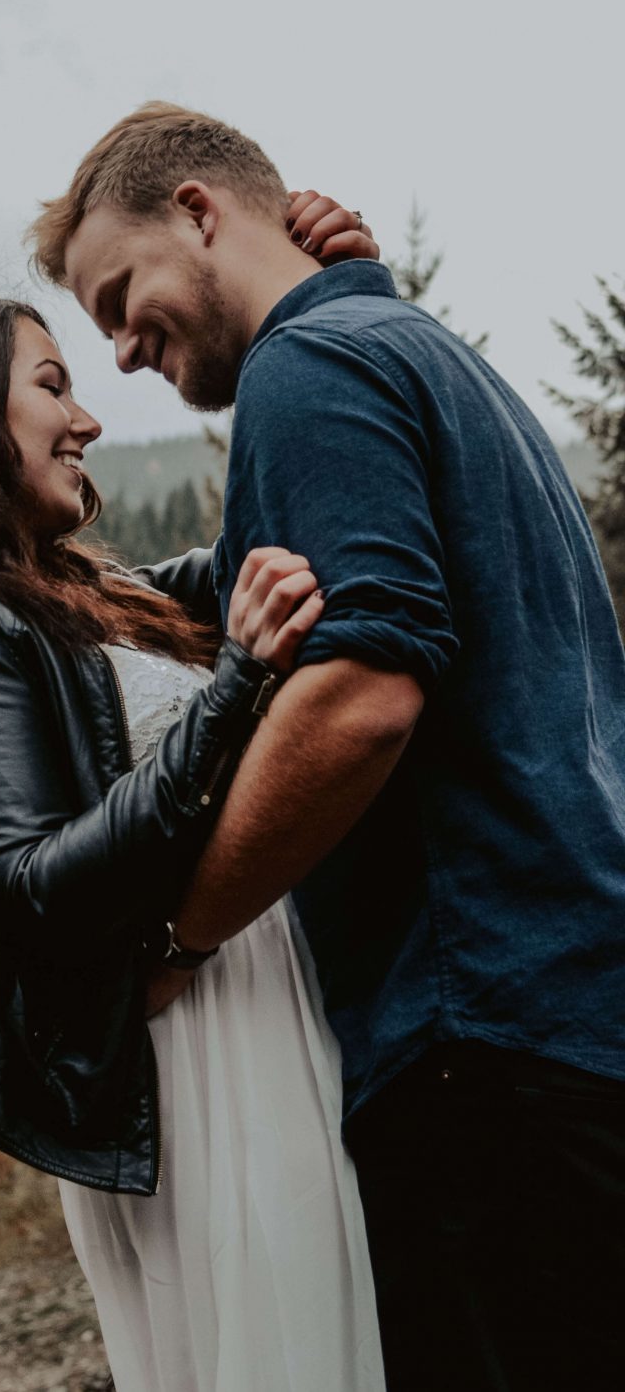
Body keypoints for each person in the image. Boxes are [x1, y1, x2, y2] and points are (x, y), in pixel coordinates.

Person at [33, 99, 625, 1391]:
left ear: (200, 212)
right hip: (571, 1022)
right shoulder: (412, 350)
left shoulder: (311, 373)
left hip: (476, 1052)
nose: (123, 352)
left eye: (121, 296)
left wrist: (174, 939)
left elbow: (362, 692)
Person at [0, 220, 387, 1392]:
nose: (89, 417)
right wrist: (237, 696)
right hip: (188, 1065)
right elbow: (39, 888)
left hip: (272, 1007)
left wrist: (329, 293)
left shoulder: (98, 598)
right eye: (53, 384)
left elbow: (304, 528)